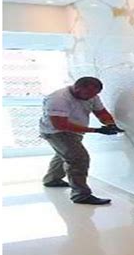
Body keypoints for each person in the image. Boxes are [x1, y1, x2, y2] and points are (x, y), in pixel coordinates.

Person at [39, 77, 123, 205]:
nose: (91, 97)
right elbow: (60, 125)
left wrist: (110, 124)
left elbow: (101, 113)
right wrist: (96, 130)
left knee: (64, 154)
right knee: (78, 158)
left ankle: (52, 180)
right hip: (55, 132)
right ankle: (81, 195)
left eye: (95, 94)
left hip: (74, 130)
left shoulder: (92, 96)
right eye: (88, 94)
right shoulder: (59, 99)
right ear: (77, 88)